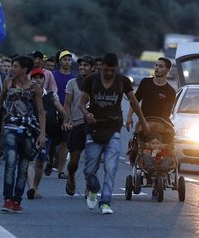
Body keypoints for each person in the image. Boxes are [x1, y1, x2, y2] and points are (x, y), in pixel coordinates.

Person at [79, 53, 149, 214]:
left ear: (116, 68)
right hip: (94, 128)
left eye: (112, 70)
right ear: (101, 66)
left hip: (113, 129)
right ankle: (92, 189)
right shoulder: (92, 80)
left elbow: (133, 101)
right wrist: (86, 113)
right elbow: (82, 102)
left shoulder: (122, 81)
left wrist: (143, 121)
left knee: (111, 168)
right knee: (90, 169)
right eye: (106, 69)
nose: (109, 73)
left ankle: (105, 202)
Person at [0, 55, 46, 213]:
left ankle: (17, 201)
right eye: (12, 65)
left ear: (24, 69)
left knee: (23, 166)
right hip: (10, 127)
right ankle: (7, 199)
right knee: (10, 162)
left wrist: (42, 134)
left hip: (28, 129)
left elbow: (40, 111)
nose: (12, 68)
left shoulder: (34, 88)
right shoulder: (8, 82)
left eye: (16, 66)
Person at [26, 68, 67, 199]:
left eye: (40, 77)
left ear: (44, 80)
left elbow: (62, 110)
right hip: (29, 132)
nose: (38, 80)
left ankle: (36, 187)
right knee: (30, 160)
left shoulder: (51, 95)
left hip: (46, 134)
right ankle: (31, 187)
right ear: (30, 79)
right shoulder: (25, 94)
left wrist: (66, 121)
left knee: (40, 162)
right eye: (34, 77)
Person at [62, 55, 95, 196]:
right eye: (80, 65)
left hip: (92, 125)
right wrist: (66, 119)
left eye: (86, 65)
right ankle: (71, 176)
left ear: (92, 67)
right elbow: (67, 104)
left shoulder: (97, 83)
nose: (82, 68)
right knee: (74, 159)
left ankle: (89, 185)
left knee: (92, 158)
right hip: (76, 124)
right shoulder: (72, 83)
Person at [126, 57, 176, 127]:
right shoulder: (145, 82)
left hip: (160, 126)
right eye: (156, 65)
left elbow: (166, 115)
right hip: (143, 123)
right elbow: (135, 101)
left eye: (160, 66)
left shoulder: (170, 91)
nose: (157, 68)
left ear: (167, 70)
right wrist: (129, 116)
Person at [49, 50, 75, 179]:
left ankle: (60, 170)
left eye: (69, 59)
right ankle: (49, 161)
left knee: (65, 142)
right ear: (59, 62)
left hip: (68, 113)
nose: (67, 62)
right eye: (64, 59)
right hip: (53, 112)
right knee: (52, 142)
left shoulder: (75, 77)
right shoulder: (53, 75)